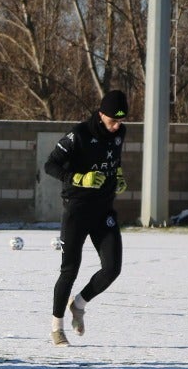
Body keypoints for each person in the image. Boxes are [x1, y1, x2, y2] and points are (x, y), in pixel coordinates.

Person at [43, 89, 129, 346]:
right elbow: (50, 165)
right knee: (70, 270)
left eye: (121, 121)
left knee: (112, 268)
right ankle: (57, 327)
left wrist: (118, 176)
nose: (117, 126)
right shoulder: (79, 134)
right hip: (77, 210)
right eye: (113, 120)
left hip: (103, 210)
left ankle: (78, 305)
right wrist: (79, 178)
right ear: (101, 114)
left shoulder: (120, 133)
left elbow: (114, 161)